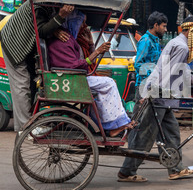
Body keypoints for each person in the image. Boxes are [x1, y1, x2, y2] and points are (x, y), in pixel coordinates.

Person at [117, 16, 193, 182]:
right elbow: (170, 73)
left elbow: (179, 70)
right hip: (160, 95)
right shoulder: (181, 47)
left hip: (161, 94)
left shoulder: (176, 43)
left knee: (171, 132)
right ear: (192, 31)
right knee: (146, 135)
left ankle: (175, 168)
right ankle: (126, 172)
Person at [46, 10, 134, 138]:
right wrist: (97, 51)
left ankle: (107, 123)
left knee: (106, 84)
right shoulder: (63, 40)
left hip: (77, 75)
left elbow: (85, 61)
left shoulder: (71, 38)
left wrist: (92, 45)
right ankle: (114, 125)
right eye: (81, 23)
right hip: (71, 77)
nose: (84, 26)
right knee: (109, 84)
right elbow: (74, 65)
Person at [0, 0, 74, 132]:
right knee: (21, 85)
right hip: (14, 46)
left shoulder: (46, 5)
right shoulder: (40, 6)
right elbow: (41, 31)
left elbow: (42, 28)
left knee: (32, 84)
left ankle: (31, 120)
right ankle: (24, 127)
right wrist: (60, 16)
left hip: (26, 48)